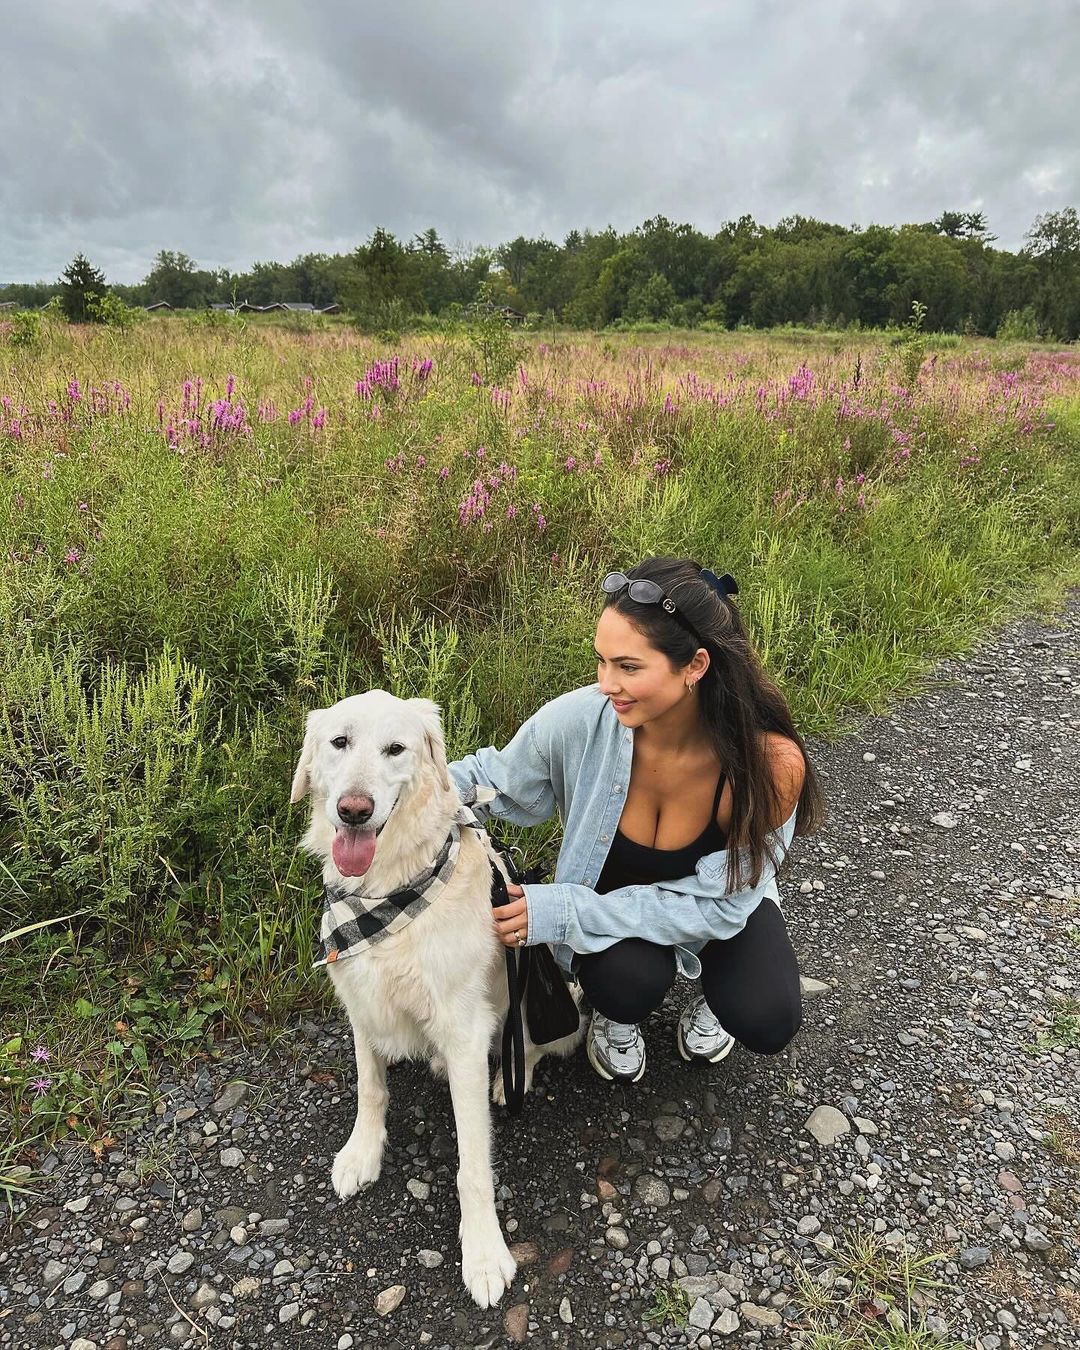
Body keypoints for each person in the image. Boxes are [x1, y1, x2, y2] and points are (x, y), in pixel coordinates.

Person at [446, 556, 824, 1083]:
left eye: (628, 667)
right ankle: (616, 1015)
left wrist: (565, 910)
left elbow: (724, 910)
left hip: (715, 906)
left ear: (694, 665)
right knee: (625, 981)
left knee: (767, 1015)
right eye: (601, 661)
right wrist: (390, 786)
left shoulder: (769, 766)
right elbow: (492, 776)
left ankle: (714, 998)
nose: (606, 683)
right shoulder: (583, 719)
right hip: (616, 919)